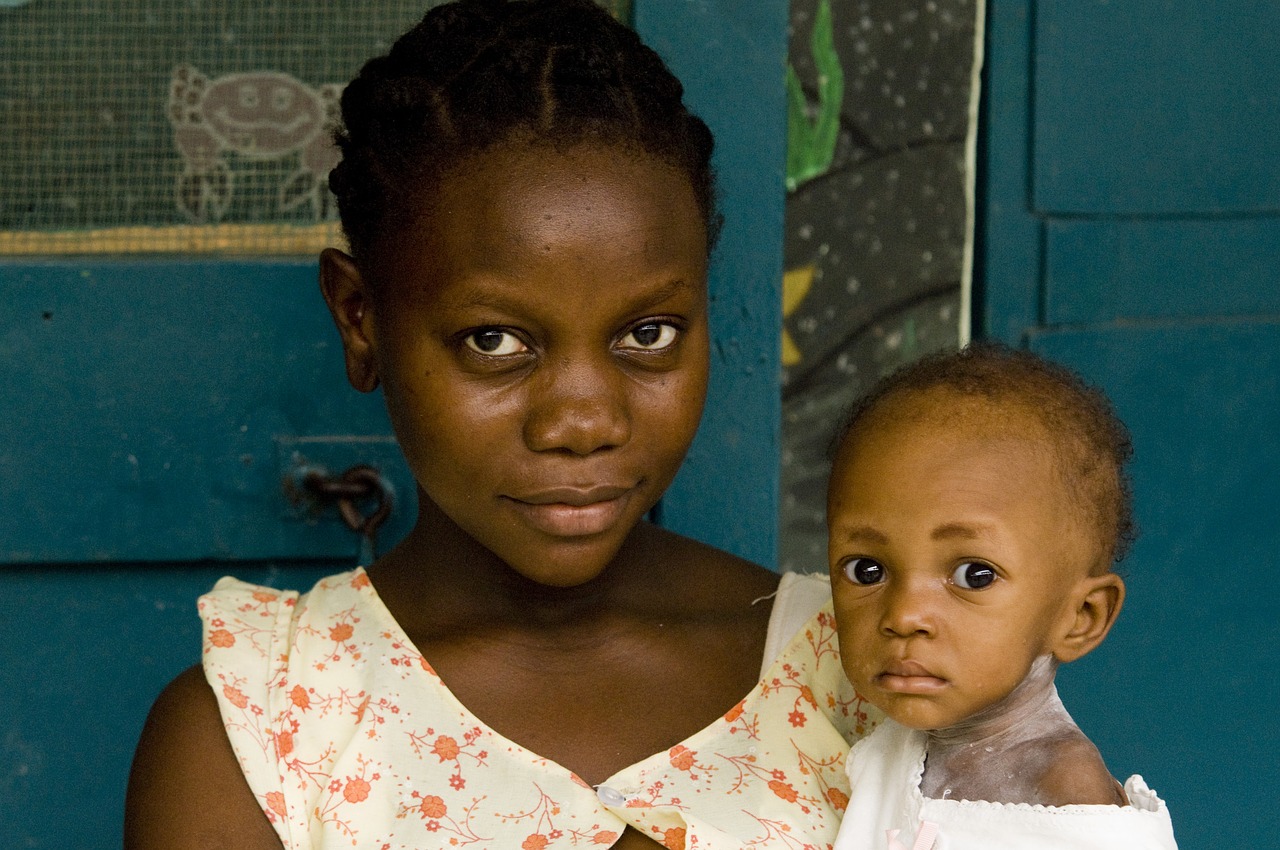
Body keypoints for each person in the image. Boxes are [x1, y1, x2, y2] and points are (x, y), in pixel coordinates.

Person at [124, 2, 866, 848]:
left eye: (647, 334)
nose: (583, 422)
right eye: (496, 341)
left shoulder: (864, 671)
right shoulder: (264, 731)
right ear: (360, 318)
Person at [826, 345, 1178, 849]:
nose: (904, 616)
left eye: (974, 576)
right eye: (868, 570)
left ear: (1080, 617)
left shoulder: (1071, 806)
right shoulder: (896, 743)